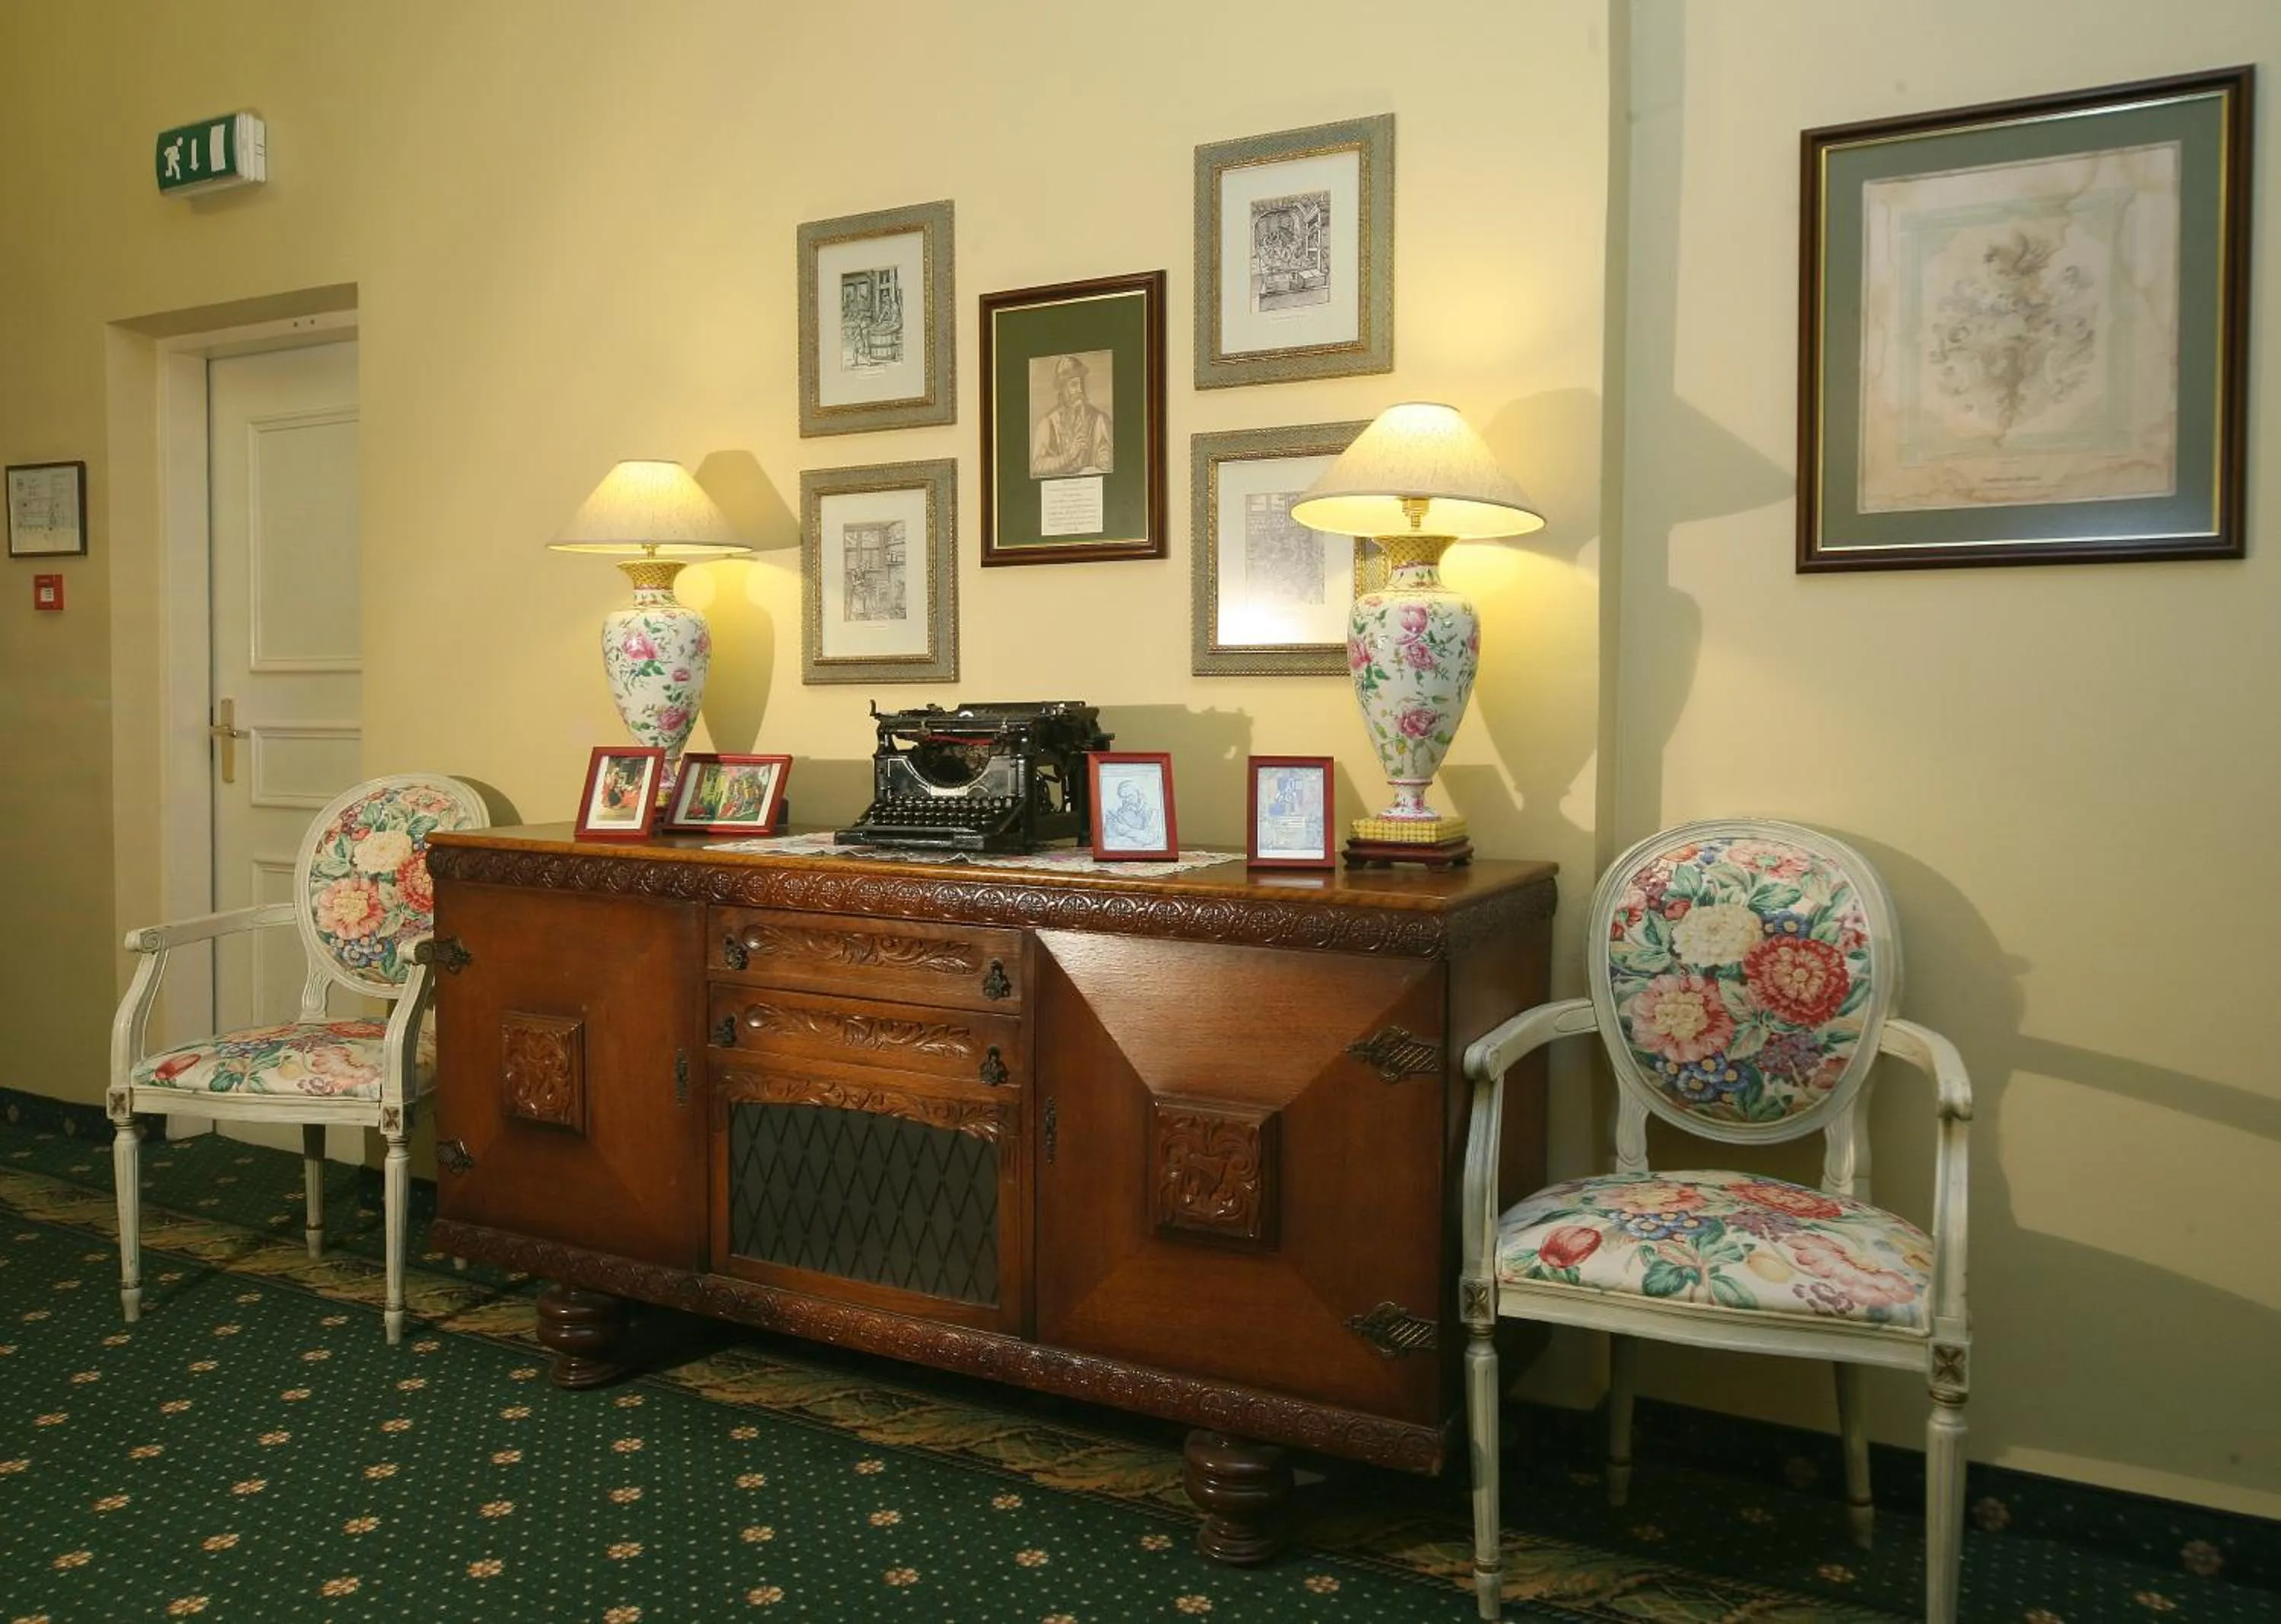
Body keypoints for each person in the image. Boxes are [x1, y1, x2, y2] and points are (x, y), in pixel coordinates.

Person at [1029, 354, 1115, 477]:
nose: (1080, 389)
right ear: (1063, 388)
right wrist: (1068, 456)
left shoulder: (1099, 419)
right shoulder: (1048, 423)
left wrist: (1104, 458)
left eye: (1082, 384)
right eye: (1074, 385)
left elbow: (1108, 455)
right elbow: (1038, 466)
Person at [1100, 779, 1163, 848]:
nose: (1126, 800)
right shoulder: (1116, 813)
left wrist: (1125, 830)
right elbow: (1109, 838)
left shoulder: (1152, 811)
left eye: (1130, 796)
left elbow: (1149, 837)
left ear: (1139, 794)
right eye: (1123, 797)